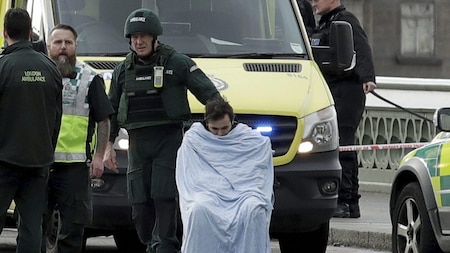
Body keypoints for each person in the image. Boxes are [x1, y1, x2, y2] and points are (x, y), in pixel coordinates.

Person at [103, 8, 220, 253]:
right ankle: (152, 244)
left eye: (144, 36)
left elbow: (211, 96)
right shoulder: (122, 71)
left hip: (168, 140)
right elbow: (110, 110)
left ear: (155, 37)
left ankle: (165, 246)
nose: (138, 41)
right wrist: (107, 147)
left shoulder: (177, 62)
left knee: (164, 196)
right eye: (134, 37)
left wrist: (222, 128)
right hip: (137, 144)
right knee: (139, 205)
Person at [40, 24, 115, 253]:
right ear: (48, 46)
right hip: (39, 164)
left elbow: (104, 120)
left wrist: (100, 156)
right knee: (33, 225)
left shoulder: (90, 79)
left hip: (74, 167)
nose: (63, 48)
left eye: (68, 43)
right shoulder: (36, 74)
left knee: (72, 230)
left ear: (75, 46)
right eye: (58, 42)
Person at [0, 7, 62, 252]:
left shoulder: (3, 67)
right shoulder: (50, 69)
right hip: (38, 163)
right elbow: (57, 118)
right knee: (32, 227)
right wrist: (47, 151)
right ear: (31, 32)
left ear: (5, 33)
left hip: (4, 161)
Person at [176, 98, 274, 253]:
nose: (220, 133)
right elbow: (190, 177)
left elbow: (258, 169)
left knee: (254, 209)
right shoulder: (193, 140)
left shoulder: (248, 139)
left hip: (244, 194)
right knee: (198, 209)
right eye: (214, 129)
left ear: (232, 121)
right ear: (206, 123)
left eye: (224, 128)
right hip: (207, 193)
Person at [311, 0, 377, 218]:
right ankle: (340, 198)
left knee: (344, 146)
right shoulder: (324, 24)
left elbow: (362, 48)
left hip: (347, 93)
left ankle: (348, 202)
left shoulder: (345, 21)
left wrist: (367, 77)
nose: (313, 2)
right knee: (336, 145)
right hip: (331, 92)